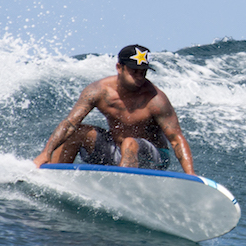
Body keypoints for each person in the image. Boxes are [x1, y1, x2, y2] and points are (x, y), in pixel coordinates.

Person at [33, 44, 195, 175]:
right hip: (116, 153)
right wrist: (45, 153)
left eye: (143, 72)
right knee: (76, 131)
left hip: (153, 158)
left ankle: (122, 187)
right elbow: (69, 124)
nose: (139, 77)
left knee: (130, 143)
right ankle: (53, 176)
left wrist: (190, 175)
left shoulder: (155, 99)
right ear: (119, 67)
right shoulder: (98, 91)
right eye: (134, 72)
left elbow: (176, 139)